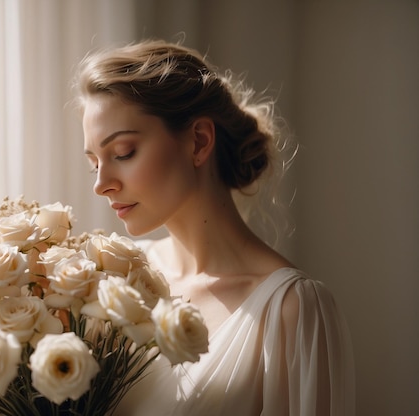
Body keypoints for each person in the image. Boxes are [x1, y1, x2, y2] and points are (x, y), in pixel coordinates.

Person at [74, 39, 355, 415]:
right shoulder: (115, 279)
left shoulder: (290, 310)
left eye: (123, 153)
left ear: (199, 141)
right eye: (95, 163)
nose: (101, 183)